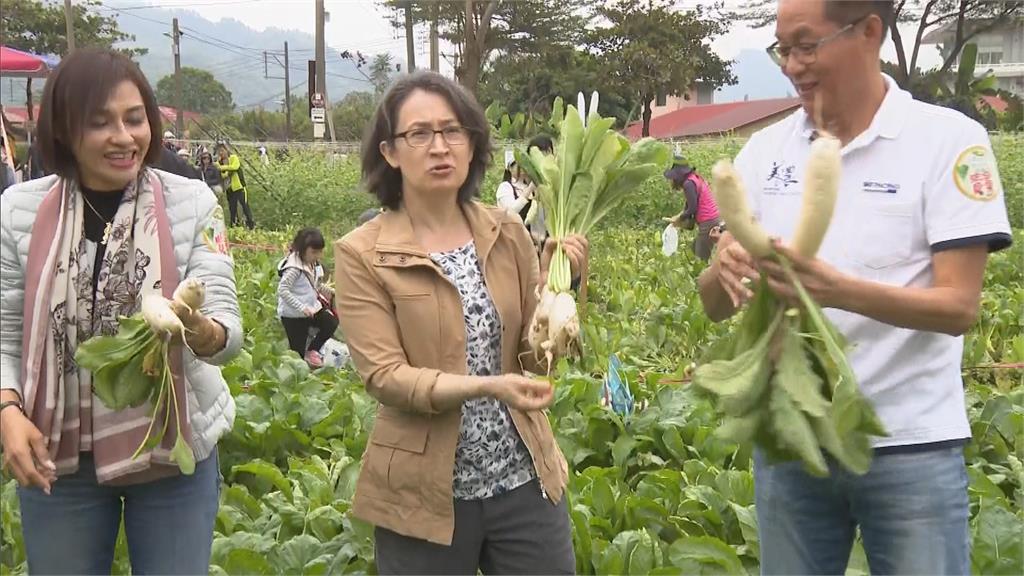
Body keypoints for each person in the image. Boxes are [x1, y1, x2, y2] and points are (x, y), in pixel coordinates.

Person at [698, 1, 1012, 574]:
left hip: (910, 444)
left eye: (806, 45)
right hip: (791, 440)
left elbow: (958, 306)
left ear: (870, 31)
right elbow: (714, 306)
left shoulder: (948, 142)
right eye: (783, 49)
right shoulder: (764, 152)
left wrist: (839, 290)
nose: (792, 65)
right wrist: (720, 271)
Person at [335, 71, 588, 574]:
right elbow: (385, 377)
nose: (439, 147)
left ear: (472, 146)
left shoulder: (508, 231)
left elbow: (531, 355)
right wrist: (488, 386)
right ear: (389, 152)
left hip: (523, 479)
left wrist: (559, 294)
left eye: (453, 131)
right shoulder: (361, 253)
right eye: (419, 134)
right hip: (423, 495)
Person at [0, 48, 241, 575]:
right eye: (100, 122)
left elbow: (228, 328)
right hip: (57, 454)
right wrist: (7, 411)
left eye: (134, 119)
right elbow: (5, 335)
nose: (124, 137)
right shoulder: (18, 211)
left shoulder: (193, 202)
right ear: (64, 131)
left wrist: (198, 328)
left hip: (172, 444)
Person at [277, 227, 338, 368]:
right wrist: (301, 307)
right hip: (293, 315)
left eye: (320, 251)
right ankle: (298, 375)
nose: (318, 255)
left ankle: (313, 351)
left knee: (331, 322)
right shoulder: (293, 269)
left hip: (311, 308)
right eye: (314, 252)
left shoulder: (313, 264)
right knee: (297, 354)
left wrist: (331, 291)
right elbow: (283, 290)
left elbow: (316, 285)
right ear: (302, 249)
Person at [663, 156, 722, 261]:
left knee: (700, 258)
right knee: (695, 248)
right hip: (714, 218)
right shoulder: (694, 178)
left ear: (678, 176)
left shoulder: (688, 184)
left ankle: (704, 275)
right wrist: (679, 216)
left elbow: (692, 208)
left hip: (708, 221)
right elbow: (689, 204)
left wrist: (679, 218)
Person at [216, 143, 255, 229]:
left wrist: (223, 169)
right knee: (232, 209)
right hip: (229, 189)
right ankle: (234, 226)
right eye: (219, 151)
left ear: (227, 150)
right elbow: (221, 175)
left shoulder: (233, 158)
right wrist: (224, 170)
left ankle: (251, 225)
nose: (221, 153)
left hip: (239, 187)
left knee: (245, 206)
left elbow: (235, 167)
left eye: (222, 150)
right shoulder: (219, 163)